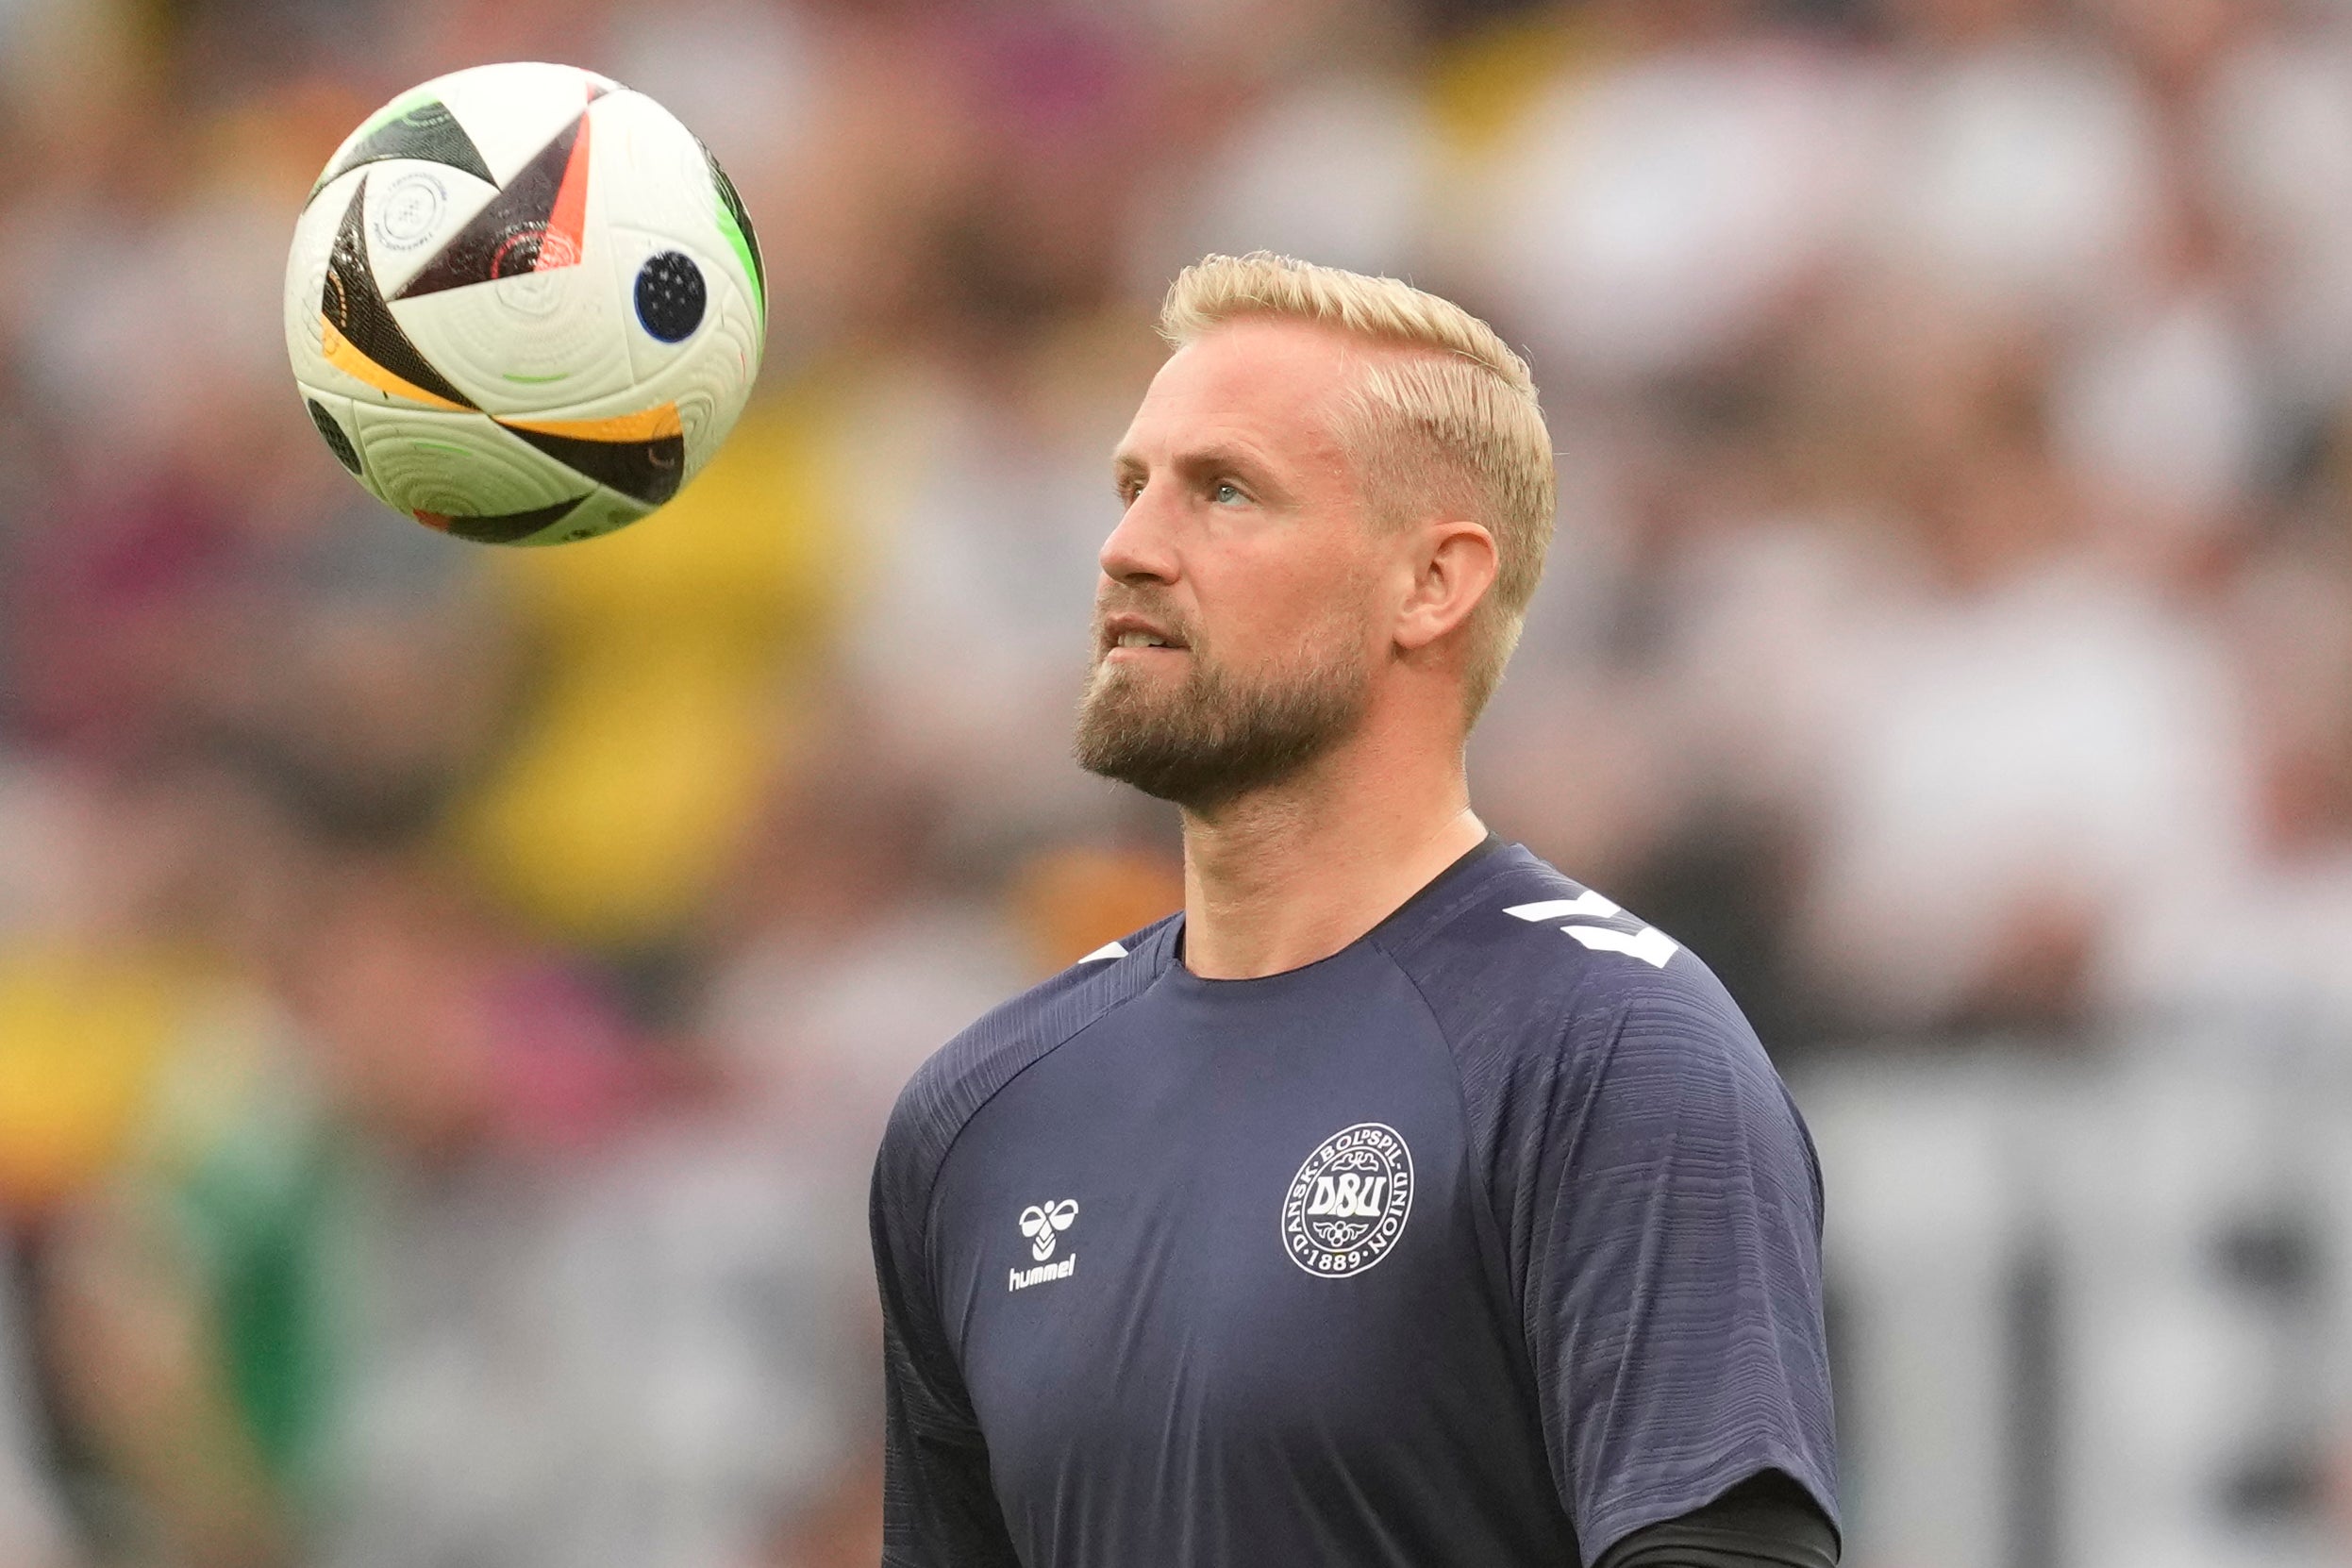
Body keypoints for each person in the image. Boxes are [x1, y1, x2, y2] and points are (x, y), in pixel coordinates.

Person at [868, 253, 1840, 1568]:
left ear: (1431, 584)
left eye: (1223, 491)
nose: (1126, 547)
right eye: (1128, 485)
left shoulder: (1607, 1046)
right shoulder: (979, 1113)